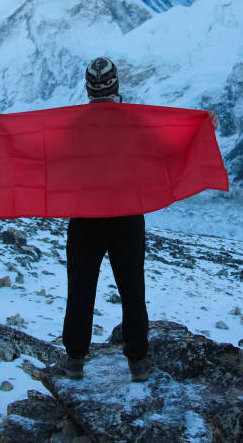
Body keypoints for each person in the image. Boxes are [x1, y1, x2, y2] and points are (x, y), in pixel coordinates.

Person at [59, 57, 151, 383]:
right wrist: (200, 125)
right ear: (116, 86)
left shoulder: (73, 126)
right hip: (126, 217)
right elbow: (167, 148)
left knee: (81, 289)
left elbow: (54, 164)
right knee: (132, 289)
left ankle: (74, 360)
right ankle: (138, 362)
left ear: (87, 88)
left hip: (85, 218)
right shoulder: (135, 122)